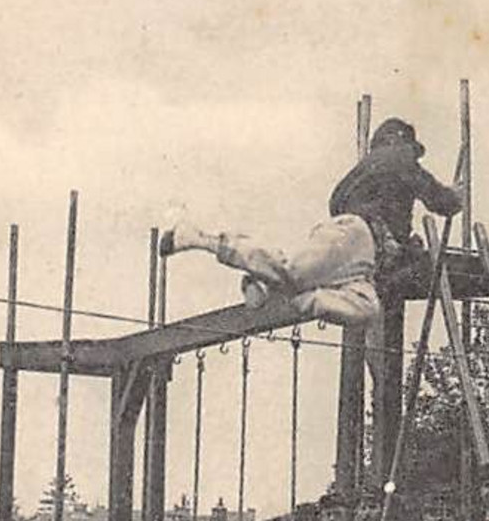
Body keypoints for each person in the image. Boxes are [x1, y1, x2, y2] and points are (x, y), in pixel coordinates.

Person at [159, 118, 462, 384]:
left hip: (361, 258)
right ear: (401, 143)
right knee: (291, 270)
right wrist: (456, 195)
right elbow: (442, 201)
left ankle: (279, 289)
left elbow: (349, 211)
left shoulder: (359, 179)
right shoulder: (398, 158)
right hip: (355, 236)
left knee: (366, 308)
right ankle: (197, 237)